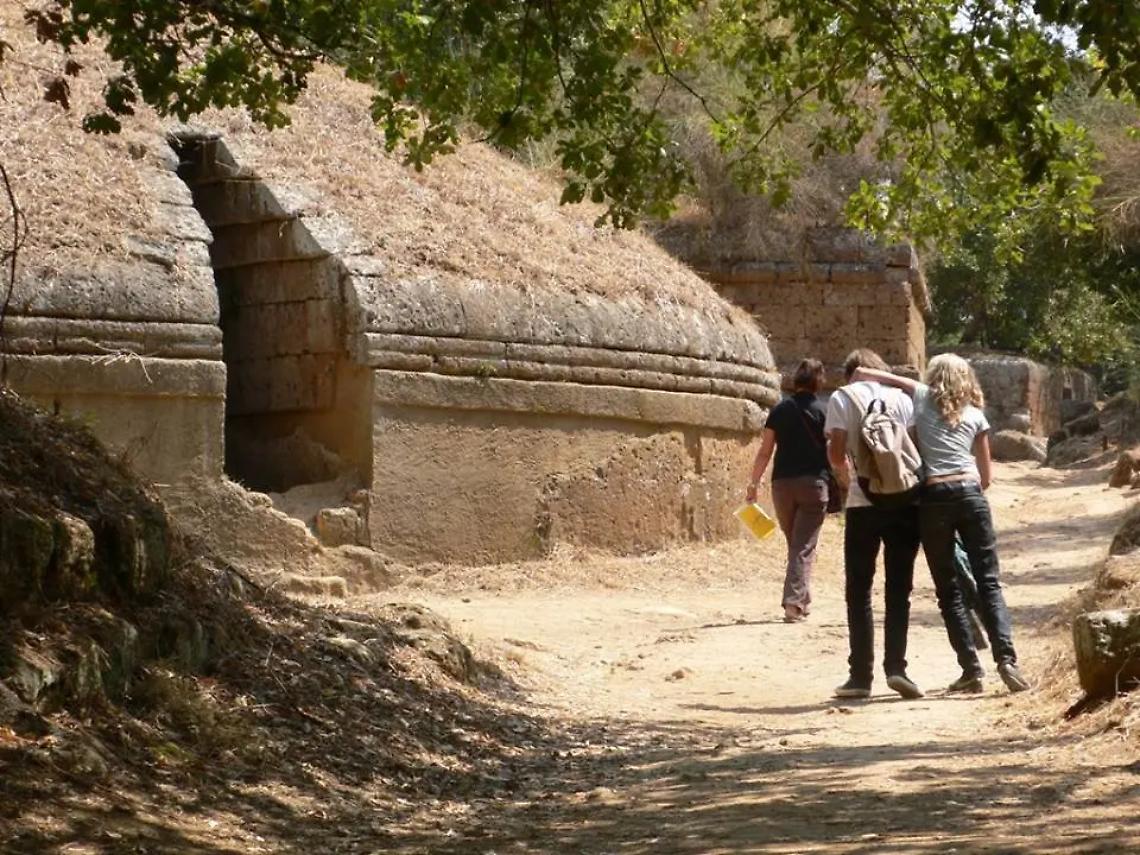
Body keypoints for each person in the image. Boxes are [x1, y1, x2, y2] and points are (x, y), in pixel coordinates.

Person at [852, 353, 1030, 694]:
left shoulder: (921, 398)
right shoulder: (976, 416)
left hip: (934, 498)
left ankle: (971, 669)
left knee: (948, 591)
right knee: (989, 582)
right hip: (971, 495)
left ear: (934, 377)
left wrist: (863, 372)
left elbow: (881, 377)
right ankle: (1007, 659)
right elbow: (987, 477)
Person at [826, 348, 924, 700]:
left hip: (863, 502)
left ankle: (860, 677)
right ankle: (897, 668)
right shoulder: (902, 398)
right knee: (899, 590)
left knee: (859, 591)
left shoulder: (842, 398)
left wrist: (846, 476)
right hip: (904, 500)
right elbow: (914, 448)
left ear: (851, 372)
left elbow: (836, 454)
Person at [746, 358, 830, 623]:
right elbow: (833, 451)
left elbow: (765, 451)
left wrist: (753, 482)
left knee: (796, 544)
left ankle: (803, 600)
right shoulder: (823, 411)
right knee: (803, 546)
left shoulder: (779, 410)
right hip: (814, 486)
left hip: (782, 486)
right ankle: (793, 604)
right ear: (819, 381)